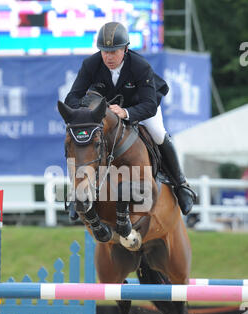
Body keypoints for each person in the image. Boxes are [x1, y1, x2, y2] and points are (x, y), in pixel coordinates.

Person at [65, 21, 196, 215]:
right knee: (78, 138)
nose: (108, 57)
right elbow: (71, 98)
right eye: (104, 51)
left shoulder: (140, 66)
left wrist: (126, 113)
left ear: (125, 49)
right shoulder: (90, 64)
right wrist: (85, 114)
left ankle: (181, 184)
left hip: (140, 107)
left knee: (158, 133)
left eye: (114, 51)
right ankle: (76, 192)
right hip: (108, 112)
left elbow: (150, 105)